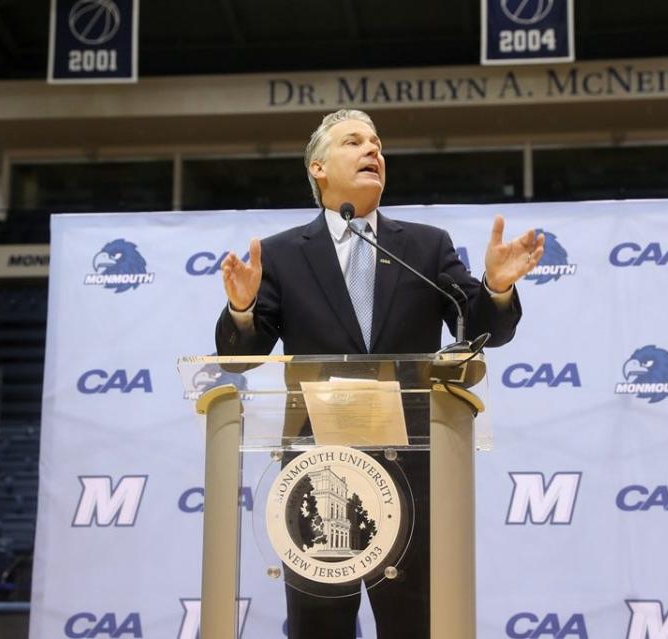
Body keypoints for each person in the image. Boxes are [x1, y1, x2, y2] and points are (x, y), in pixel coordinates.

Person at [215, 109, 545, 639]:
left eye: (377, 143)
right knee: (318, 628)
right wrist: (243, 309)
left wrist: (497, 287)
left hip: (409, 470)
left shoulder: (425, 246)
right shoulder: (279, 255)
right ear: (318, 168)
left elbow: (480, 326)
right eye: (354, 142)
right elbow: (243, 352)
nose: (374, 150)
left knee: (414, 624)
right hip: (314, 471)